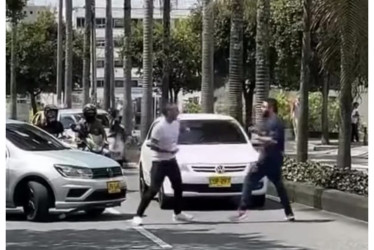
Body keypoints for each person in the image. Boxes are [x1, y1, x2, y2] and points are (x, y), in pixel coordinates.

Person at [231, 98, 295, 222]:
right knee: (279, 187)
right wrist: (257, 132)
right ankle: (289, 213)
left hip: (267, 159)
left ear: (271, 108)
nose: (262, 109)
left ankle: (242, 210)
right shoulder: (270, 121)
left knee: (249, 180)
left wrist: (258, 138)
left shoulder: (275, 122)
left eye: (264, 107)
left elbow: (273, 140)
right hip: (274, 159)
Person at [132, 103, 194, 226]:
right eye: (175, 111)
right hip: (159, 162)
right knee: (153, 190)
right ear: (168, 113)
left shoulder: (176, 123)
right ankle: (138, 215)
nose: (178, 112)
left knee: (178, 187)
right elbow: (153, 145)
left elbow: (178, 131)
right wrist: (167, 151)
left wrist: (185, 130)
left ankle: (178, 214)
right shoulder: (159, 127)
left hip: (171, 161)